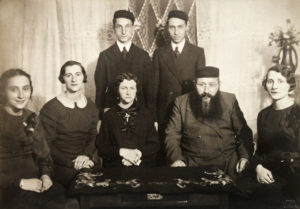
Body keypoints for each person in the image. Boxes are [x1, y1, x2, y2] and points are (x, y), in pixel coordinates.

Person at [0, 69, 79, 209]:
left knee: (72, 202)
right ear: (3, 92)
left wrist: (45, 175)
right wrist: (21, 182)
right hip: (7, 189)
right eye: (13, 89)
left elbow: (43, 156)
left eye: (25, 89)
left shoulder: (31, 117)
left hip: (37, 183)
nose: (20, 95)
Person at [165, 66, 254, 178]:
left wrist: (244, 156)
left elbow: (243, 132)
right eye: (201, 85)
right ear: (194, 83)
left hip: (226, 162)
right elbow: (172, 135)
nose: (206, 91)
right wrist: (177, 159)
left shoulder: (229, 100)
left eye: (212, 85)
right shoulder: (181, 102)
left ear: (219, 84)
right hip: (192, 162)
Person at [239, 64, 300, 207]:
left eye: (280, 81)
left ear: (289, 85)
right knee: (238, 190)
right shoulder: (264, 115)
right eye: (270, 81)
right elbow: (261, 151)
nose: (274, 86)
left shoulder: (297, 114)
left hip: (292, 175)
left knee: (271, 196)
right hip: (265, 170)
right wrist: (258, 167)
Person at [152, 10, 206, 162]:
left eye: (180, 27)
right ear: (167, 29)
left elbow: (201, 85)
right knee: (166, 153)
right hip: (164, 112)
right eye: (172, 27)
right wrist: (154, 118)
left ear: (187, 27)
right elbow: (154, 87)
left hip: (188, 109)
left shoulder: (197, 52)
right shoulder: (159, 53)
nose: (176, 32)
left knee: (188, 150)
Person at [40, 61, 98, 187]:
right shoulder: (51, 108)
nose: (74, 79)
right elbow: (46, 145)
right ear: (62, 79)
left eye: (78, 74)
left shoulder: (91, 107)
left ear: (83, 77)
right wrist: (72, 164)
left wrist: (86, 155)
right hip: (60, 165)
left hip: (86, 161)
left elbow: (94, 136)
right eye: (68, 75)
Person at [94, 10, 155, 121]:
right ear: (114, 29)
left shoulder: (143, 56)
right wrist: (100, 118)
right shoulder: (105, 56)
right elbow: (100, 91)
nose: (123, 31)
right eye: (119, 27)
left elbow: (149, 90)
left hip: (138, 113)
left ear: (133, 28)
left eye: (127, 26)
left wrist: (151, 118)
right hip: (112, 112)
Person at [96, 72, 160, 167]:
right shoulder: (108, 115)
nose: (128, 92)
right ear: (117, 90)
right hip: (115, 166)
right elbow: (102, 148)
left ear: (136, 90)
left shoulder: (146, 114)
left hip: (141, 166)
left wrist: (137, 155)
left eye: (132, 88)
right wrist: (123, 153)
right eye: (124, 88)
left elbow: (154, 145)